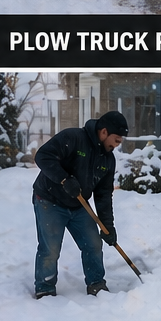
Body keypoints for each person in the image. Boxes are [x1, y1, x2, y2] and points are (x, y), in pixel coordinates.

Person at [31, 111, 128, 298]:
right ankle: (45, 288)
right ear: (104, 132)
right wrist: (65, 179)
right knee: (50, 249)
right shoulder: (73, 137)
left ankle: (96, 284)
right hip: (50, 200)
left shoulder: (107, 159)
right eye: (116, 140)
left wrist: (107, 226)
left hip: (78, 206)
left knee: (93, 244)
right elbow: (43, 156)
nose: (117, 145)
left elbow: (103, 195)